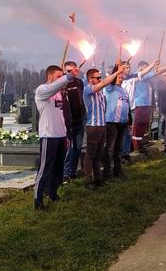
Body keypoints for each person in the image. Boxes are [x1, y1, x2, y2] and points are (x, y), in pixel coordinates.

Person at [34, 65, 80, 210]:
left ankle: (53, 194)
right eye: (58, 76)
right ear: (50, 77)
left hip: (61, 136)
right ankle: (38, 199)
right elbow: (51, 88)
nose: (62, 80)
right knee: (45, 168)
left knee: (58, 169)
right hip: (49, 136)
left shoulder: (60, 94)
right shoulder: (42, 90)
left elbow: (62, 116)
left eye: (62, 76)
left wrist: (66, 134)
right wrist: (68, 76)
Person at [83, 67, 123, 189]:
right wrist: (117, 72)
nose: (100, 79)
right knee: (90, 154)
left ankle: (98, 178)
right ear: (90, 79)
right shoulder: (87, 90)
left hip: (102, 125)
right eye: (97, 78)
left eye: (100, 77)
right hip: (93, 126)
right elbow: (106, 82)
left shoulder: (100, 93)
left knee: (98, 154)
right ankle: (88, 180)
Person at [132, 60, 166, 153]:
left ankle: (140, 144)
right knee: (137, 126)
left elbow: (157, 72)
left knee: (143, 126)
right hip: (139, 104)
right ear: (140, 67)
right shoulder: (138, 75)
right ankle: (135, 146)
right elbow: (158, 71)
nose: (146, 70)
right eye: (145, 67)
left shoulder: (148, 80)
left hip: (147, 105)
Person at [103, 65, 132, 180]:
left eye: (122, 76)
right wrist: (117, 67)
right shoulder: (110, 87)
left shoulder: (124, 90)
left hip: (122, 123)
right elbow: (110, 79)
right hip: (111, 122)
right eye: (119, 76)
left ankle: (117, 171)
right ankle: (107, 173)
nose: (121, 78)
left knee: (118, 149)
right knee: (109, 149)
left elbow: (127, 107)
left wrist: (129, 122)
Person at [63, 61, 86, 181]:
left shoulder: (79, 83)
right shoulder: (62, 84)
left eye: (73, 70)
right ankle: (65, 173)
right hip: (67, 122)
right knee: (68, 149)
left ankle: (72, 172)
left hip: (79, 119)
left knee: (77, 148)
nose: (71, 73)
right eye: (68, 71)